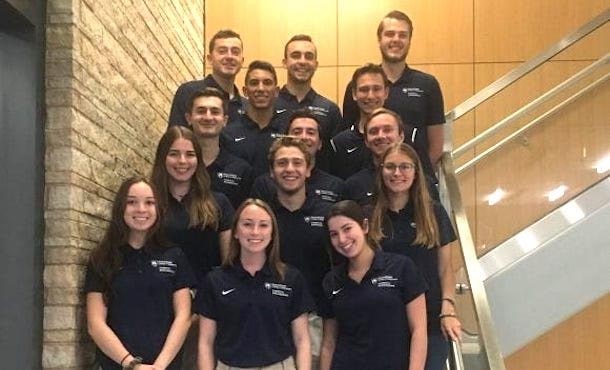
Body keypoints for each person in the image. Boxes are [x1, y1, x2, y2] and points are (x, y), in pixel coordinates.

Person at [85, 177, 195, 370]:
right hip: (118, 365)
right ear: (121, 208)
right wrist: (132, 364)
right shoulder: (102, 258)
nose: (141, 209)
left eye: (149, 202)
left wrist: (159, 366)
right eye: (132, 202)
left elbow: (183, 316)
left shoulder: (175, 256)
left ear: (158, 209)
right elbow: (95, 324)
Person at [370, 143, 461, 370]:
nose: (397, 173)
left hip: (430, 321)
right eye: (390, 167)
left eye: (405, 167)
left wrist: (447, 309)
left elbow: (445, 268)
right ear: (381, 171)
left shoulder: (434, 212)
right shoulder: (369, 214)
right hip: (386, 321)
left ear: (416, 171)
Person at [196, 199, 314, 370]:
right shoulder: (215, 281)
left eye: (264, 225)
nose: (255, 232)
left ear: (273, 232)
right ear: (235, 231)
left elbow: (302, 340)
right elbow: (205, 343)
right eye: (247, 224)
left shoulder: (291, 279)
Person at [319, 200, 428, 370]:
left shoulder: (401, 267)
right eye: (334, 234)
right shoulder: (331, 280)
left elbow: (419, 331)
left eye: (347, 229)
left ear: (364, 227)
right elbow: (329, 342)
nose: (342, 239)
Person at [342, 10, 446, 182]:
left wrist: (410, 179)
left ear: (409, 40)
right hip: (365, 179)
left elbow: (436, 145)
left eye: (402, 35)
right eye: (390, 34)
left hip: (409, 181)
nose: (396, 39)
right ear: (379, 39)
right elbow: (351, 135)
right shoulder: (359, 86)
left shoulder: (427, 85)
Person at [265, 137, 334, 366]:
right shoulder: (260, 217)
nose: (290, 169)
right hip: (269, 317)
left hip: (315, 320)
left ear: (308, 169)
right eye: (282, 163)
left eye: (297, 162)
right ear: (272, 171)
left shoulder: (328, 216)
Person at [151, 126, 234, 284]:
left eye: (190, 154)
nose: (182, 161)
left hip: (205, 301)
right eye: (174, 154)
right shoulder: (149, 203)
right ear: (162, 158)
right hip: (158, 297)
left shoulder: (220, 204)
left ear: (198, 160)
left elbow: (228, 267)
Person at [276, 34, 343, 171]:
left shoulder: (330, 110)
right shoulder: (269, 106)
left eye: (309, 56)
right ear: (284, 62)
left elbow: (336, 159)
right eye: (296, 55)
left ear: (316, 64)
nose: (302, 61)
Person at [251, 110, 345, 204]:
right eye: (297, 132)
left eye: (311, 132)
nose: (303, 137)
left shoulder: (335, 186)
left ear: (320, 143)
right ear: (286, 139)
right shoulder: (264, 185)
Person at [185, 87, 254, 209]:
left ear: (225, 120)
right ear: (189, 118)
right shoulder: (177, 164)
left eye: (215, 112)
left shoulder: (241, 170)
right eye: (201, 111)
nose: (208, 117)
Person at [221, 60, 289, 176]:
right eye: (254, 83)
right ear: (245, 91)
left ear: (276, 91)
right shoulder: (228, 133)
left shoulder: (288, 131)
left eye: (267, 83)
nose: (261, 89)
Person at [169, 29, 246, 125]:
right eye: (222, 51)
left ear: (242, 61)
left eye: (235, 52)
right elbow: (176, 137)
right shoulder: (188, 92)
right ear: (210, 59)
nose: (229, 56)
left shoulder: (247, 107)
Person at [330, 64, 389, 180]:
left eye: (376, 89)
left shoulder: (403, 137)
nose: (370, 96)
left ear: (386, 93)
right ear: (354, 94)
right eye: (364, 90)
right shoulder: (339, 143)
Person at [344, 108, 406, 205]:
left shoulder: (421, 182)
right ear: (366, 141)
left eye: (387, 130)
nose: (380, 136)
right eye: (374, 131)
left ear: (401, 137)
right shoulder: (353, 186)